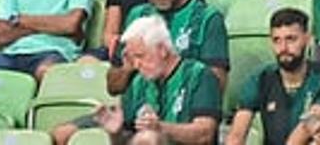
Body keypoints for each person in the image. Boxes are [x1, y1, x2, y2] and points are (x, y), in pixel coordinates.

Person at [67, 15, 220, 145]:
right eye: (133, 58)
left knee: (149, 137)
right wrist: (116, 133)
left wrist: (161, 128)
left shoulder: (199, 75)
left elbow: (204, 134)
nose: (136, 64)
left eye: (140, 56)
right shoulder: (137, 82)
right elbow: (129, 139)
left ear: (162, 50)